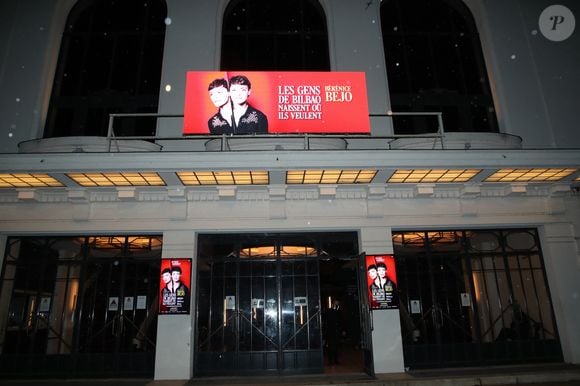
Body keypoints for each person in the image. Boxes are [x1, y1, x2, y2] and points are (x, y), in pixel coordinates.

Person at [325, 299, 343, 365]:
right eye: (336, 303)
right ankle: (331, 361)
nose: (337, 305)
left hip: (336, 331)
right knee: (330, 346)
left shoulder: (339, 311)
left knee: (336, 346)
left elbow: (340, 320)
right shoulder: (330, 311)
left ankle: (335, 360)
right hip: (331, 331)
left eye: (337, 303)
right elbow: (329, 321)